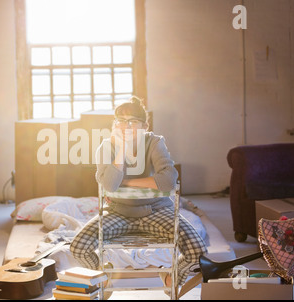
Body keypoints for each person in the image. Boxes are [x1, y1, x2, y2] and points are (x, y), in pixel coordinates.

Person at [70, 96, 207, 288]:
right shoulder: (106, 147)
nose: (127, 127)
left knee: (197, 251)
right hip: (118, 212)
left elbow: (168, 180)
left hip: (156, 210)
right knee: (78, 247)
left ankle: (170, 279)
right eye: (121, 122)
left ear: (145, 125)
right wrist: (122, 150)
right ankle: (103, 278)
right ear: (115, 124)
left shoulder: (155, 142)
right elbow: (109, 184)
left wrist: (126, 181)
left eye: (133, 122)